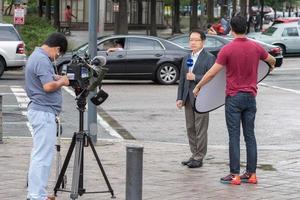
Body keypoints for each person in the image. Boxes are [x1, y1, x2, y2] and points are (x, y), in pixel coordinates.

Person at [193, 16, 276, 184]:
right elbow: (271, 61)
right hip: (251, 98)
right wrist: (269, 67)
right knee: (250, 136)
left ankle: (235, 174)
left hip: (234, 98)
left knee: (234, 136)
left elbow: (212, 73)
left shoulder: (228, 50)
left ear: (231, 29)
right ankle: (251, 174)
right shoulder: (256, 47)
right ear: (245, 28)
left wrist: (198, 86)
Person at [25, 33, 69, 200]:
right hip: (43, 112)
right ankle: (36, 195)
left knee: (40, 154)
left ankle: (38, 193)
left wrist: (55, 77)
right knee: (42, 156)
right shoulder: (43, 60)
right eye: (59, 54)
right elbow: (48, 86)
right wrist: (62, 81)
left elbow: (45, 80)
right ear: (57, 48)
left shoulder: (36, 56)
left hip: (41, 111)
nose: (57, 58)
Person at [176, 30, 216, 168]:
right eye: (190, 40)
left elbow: (212, 78)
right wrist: (179, 98)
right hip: (188, 98)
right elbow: (182, 79)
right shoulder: (187, 57)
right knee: (190, 127)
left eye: (196, 40)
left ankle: (199, 157)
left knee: (201, 129)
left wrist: (196, 78)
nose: (192, 42)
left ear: (203, 42)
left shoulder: (209, 58)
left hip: (202, 98)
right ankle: (194, 154)